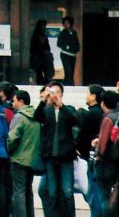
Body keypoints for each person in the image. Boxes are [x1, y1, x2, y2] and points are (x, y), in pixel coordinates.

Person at [32, 81, 78, 217]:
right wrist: (43, 100)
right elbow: (36, 117)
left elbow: (75, 120)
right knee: (52, 192)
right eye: (52, 92)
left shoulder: (68, 109)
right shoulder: (46, 110)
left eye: (57, 92)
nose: (55, 95)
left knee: (67, 191)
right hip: (50, 157)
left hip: (66, 157)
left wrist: (61, 106)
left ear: (62, 94)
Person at [7, 89, 40, 217]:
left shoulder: (19, 117)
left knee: (18, 192)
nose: (12, 104)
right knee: (28, 191)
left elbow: (12, 138)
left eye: (14, 101)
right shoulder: (37, 117)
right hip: (32, 159)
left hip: (18, 159)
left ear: (21, 101)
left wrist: (9, 150)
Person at [93, 89, 119, 217]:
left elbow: (103, 144)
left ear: (102, 103)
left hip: (106, 163)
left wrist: (98, 155)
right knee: (116, 197)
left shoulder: (108, 119)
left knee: (104, 197)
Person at [76, 86, 105, 217]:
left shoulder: (92, 114)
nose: (86, 95)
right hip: (96, 155)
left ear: (94, 96)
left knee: (93, 193)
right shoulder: (100, 112)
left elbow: (83, 136)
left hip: (90, 155)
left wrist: (78, 148)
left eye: (88, 93)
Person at [29, 20, 53, 86]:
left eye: (44, 26)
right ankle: (40, 82)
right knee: (38, 71)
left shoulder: (44, 36)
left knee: (46, 70)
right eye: (42, 26)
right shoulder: (35, 35)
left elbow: (47, 46)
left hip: (44, 57)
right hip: (37, 57)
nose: (43, 27)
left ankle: (45, 81)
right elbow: (34, 46)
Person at [57, 17, 80, 83]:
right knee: (68, 71)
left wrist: (77, 48)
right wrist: (67, 47)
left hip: (73, 55)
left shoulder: (74, 33)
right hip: (65, 54)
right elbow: (59, 44)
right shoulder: (62, 33)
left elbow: (77, 43)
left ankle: (70, 84)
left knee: (71, 72)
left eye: (67, 23)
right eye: (64, 23)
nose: (66, 24)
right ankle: (67, 84)